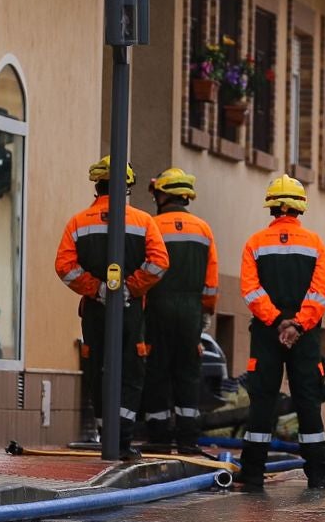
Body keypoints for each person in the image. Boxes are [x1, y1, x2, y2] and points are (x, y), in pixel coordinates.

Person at [54, 157, 169, 457]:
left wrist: (97, 289)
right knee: (131, 370)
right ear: (128, 187)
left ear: (96, 185)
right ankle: (123, 440)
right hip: (131, 308)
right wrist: (130, 287)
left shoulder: (78, 223)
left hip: (94, 308)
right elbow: (159, 263)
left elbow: (65, 267)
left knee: (97, 369)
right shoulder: (144, 222)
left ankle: (106, 434)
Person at [238, 176, 325, 490]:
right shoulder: (315, 243)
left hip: (267, 333)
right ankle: (318, 475)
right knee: (308, 400)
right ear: (299, 207)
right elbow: (320, 293)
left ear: (272, 207)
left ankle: (252, 475)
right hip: (304, 336)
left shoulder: (255, 243)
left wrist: (277, 320)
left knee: (262, 400)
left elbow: (250, 291)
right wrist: (298, 325)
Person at [141, 168, 218, 455]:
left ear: (163, 195)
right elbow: (211, 281)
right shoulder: (203, 229)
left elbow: (144, 269)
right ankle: (187, 439)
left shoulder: (152, 225)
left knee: (157, 371)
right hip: (190, 313)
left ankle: (159, 437)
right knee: (187, 373)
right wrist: (206, 312)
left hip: (157, 309)